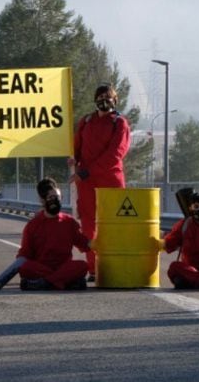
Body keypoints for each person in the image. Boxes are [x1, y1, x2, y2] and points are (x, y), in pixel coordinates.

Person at [70, 83, 130, 278]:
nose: (104, 101)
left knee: (114, 224)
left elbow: (116, 153)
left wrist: (87, 171)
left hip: (110, 181)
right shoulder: (86, 121)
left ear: (115, 99)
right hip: (87, 183)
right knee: (88, 225)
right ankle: (93, 268)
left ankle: (114, 265)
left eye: (108, 97)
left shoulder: (119, 123)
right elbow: (76, 147)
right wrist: (74, 160)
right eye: (100, 97)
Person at [16, 178, 91, 290]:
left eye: (58, 197)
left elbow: (85, 245)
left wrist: (100, 241)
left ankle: (46, 282)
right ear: (42, 200)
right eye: (51, 198)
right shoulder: (33, 225)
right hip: (42, 268)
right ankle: (63, 281)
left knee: (83, 266)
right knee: (24, 267)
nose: (55, 201)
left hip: (63, 267)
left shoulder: (69, 222)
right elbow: (24, 254)